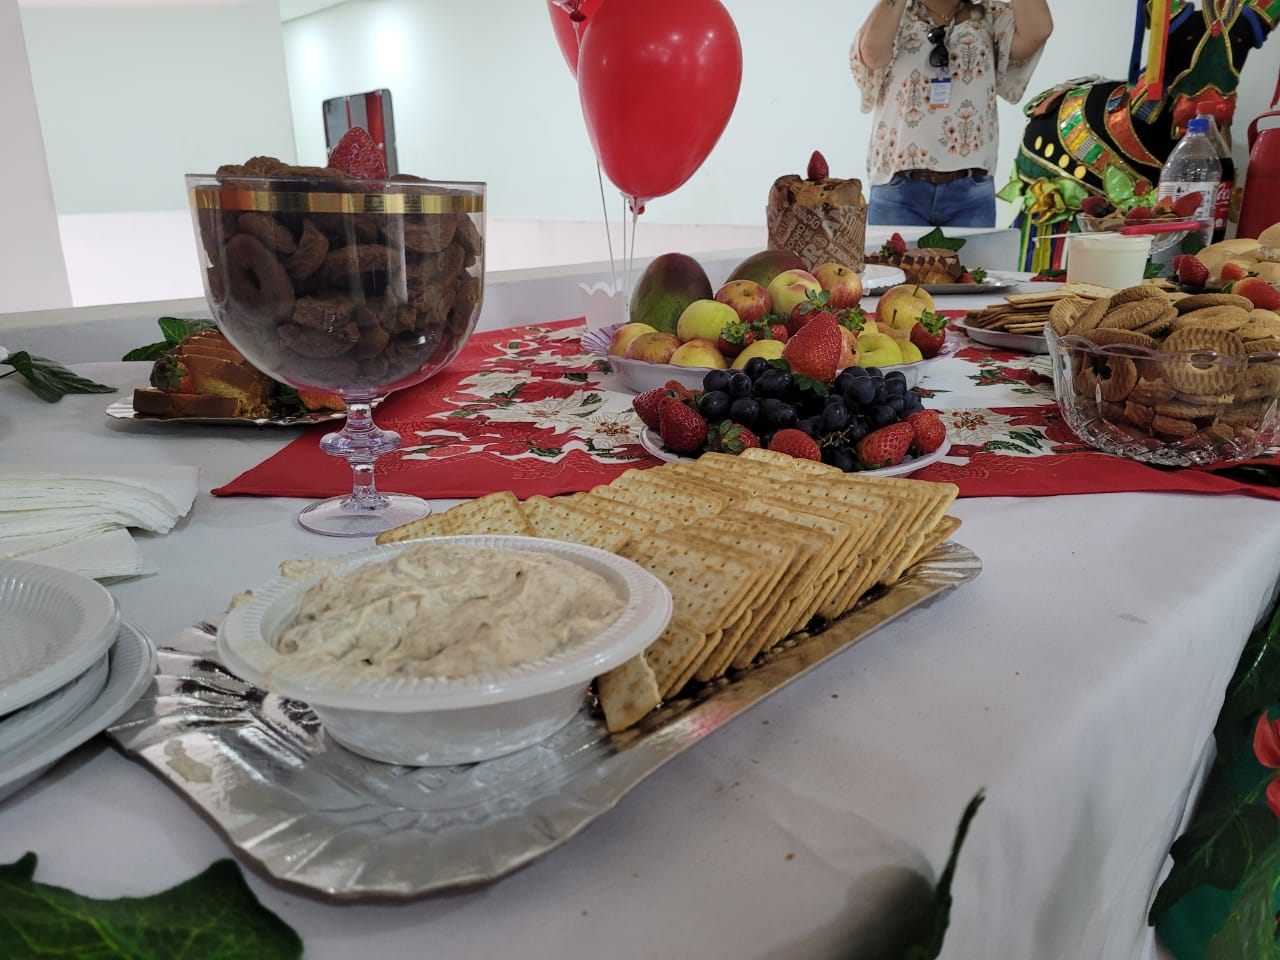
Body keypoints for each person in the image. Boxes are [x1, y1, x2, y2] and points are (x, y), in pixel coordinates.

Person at [850, 0, 1053, 228]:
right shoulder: (897, 16)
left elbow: (1037, 31)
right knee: (893, 255)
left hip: (971, 191)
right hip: (898, 188)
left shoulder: (988, 15)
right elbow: (871, 53)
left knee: (973, 257)